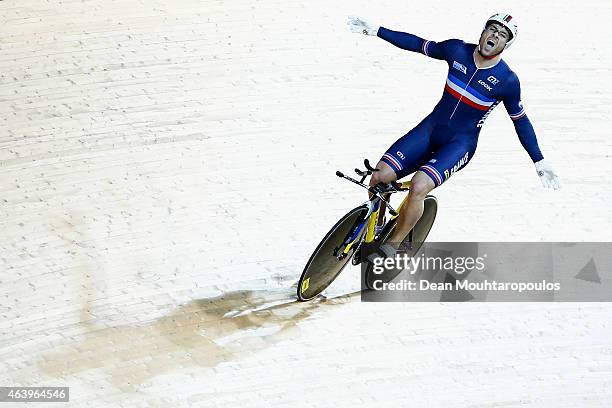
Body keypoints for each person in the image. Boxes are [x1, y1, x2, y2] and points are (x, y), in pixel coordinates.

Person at [347, 13, 561, 262]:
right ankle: (375, 225)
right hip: (429, 131)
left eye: (502, 35)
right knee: (379, 177)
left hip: (459, 145)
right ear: (482, 32)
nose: (494, 36)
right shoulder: (456, 50)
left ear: (506, 45)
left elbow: (520, 121)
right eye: (491, 29)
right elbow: (419, 44)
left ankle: (393, 246)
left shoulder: (507, 81)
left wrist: (539, 160)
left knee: (418, 187)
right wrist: (376, 30)